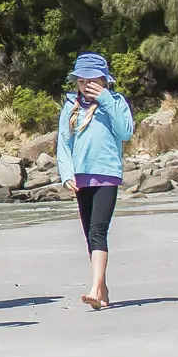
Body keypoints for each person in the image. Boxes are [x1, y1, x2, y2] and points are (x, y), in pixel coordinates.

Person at [55, 53, 133, 308]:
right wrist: (66, 174)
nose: (86, 86)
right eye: (81, 81)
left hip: (107, 174)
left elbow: (126, 132)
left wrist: (105, 100)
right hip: (81, 177)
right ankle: (103, 288)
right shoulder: (70, 105)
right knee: (90, 234)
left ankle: (94, 288)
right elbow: (64, 143)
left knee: (99, 230)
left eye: (92, 81)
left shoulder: (116, 101)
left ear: (104, 80)